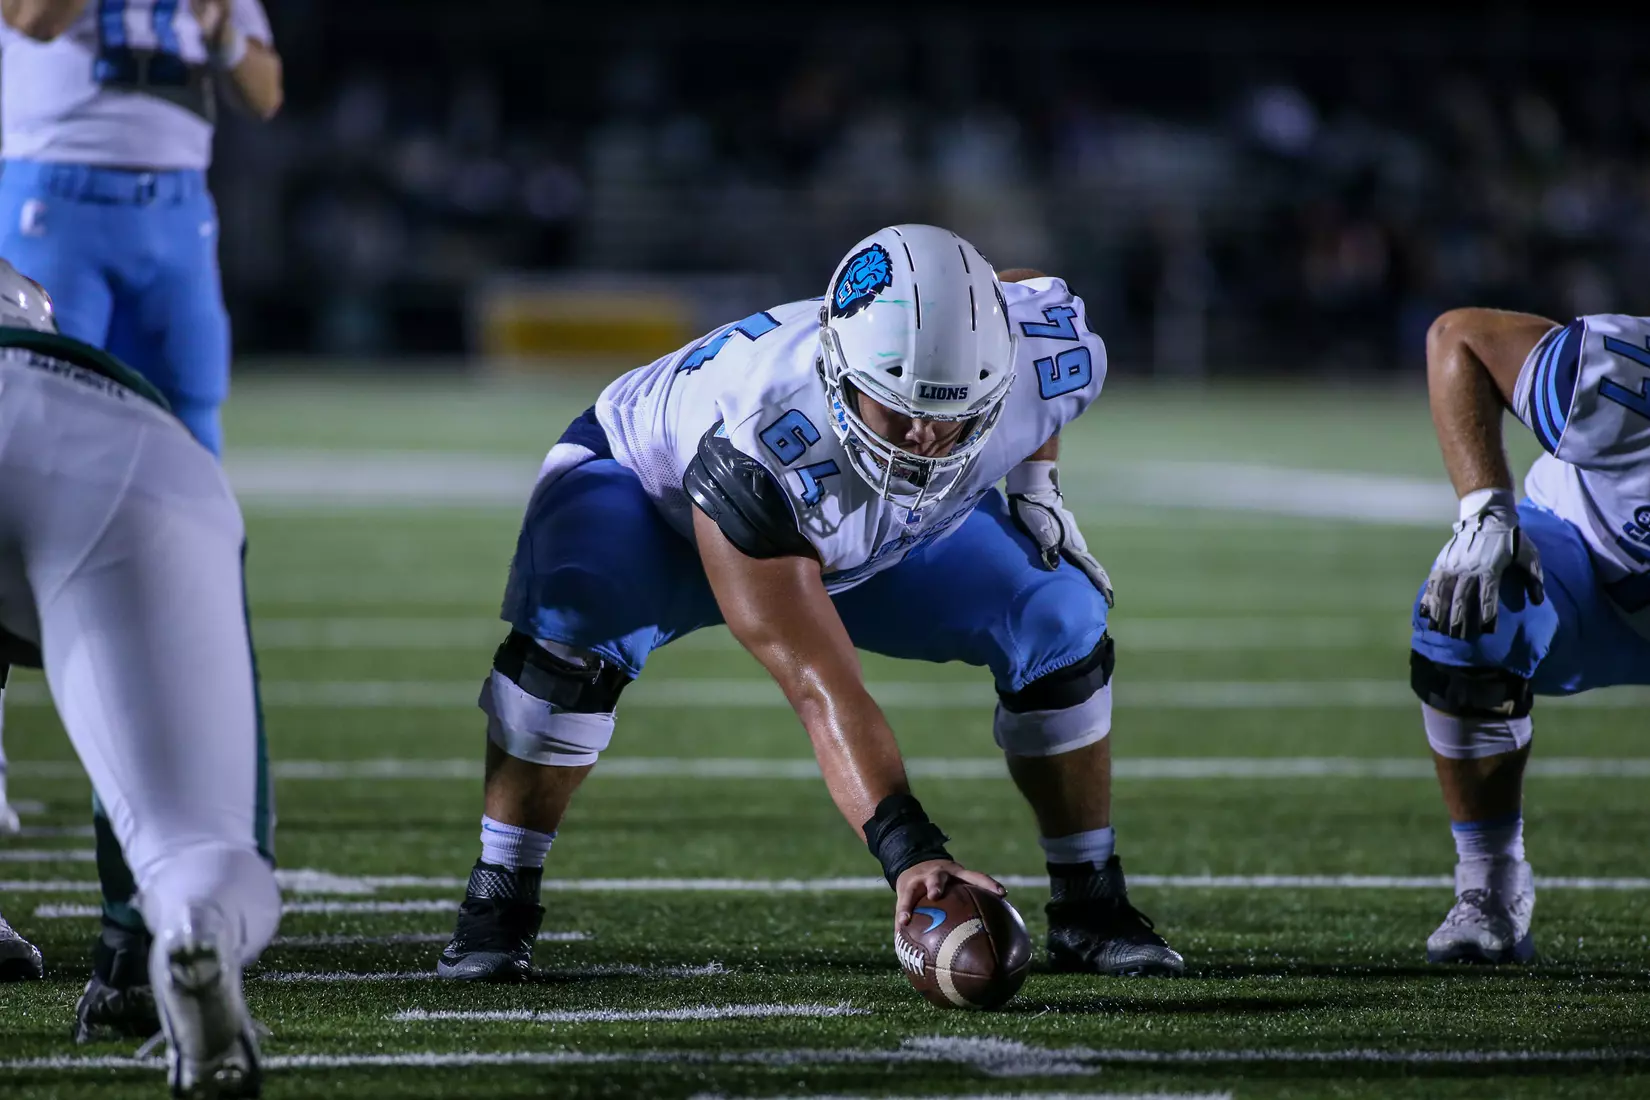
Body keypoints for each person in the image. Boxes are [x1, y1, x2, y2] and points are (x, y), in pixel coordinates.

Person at [436, 224, 1184, 982]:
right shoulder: (764, 443)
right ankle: (498, 904)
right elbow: (821, 686)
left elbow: (1021, 284)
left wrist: (1036, 486)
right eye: (900, 410)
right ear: (839, 372)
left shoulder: (1043, 356)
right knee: (567, 647)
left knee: (1059, 618)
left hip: (872, 526)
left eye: (952, 413)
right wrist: (912, 854)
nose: (925, 438)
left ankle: (1091, 904)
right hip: (650, 493)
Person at [0, 0, 282, 1040]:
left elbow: (263, 87)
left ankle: (135, 922)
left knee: (193, 516)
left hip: (176, 211)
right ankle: (175, 894)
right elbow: (31, 19)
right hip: (47, 193)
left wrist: (212, 29)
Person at [1414, 307, 1650, 964]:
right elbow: (1458, 337)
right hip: (1582, 574)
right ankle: (1489, 884)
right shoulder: (1620, 377)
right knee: (1469, 605)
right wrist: (1485, 512)